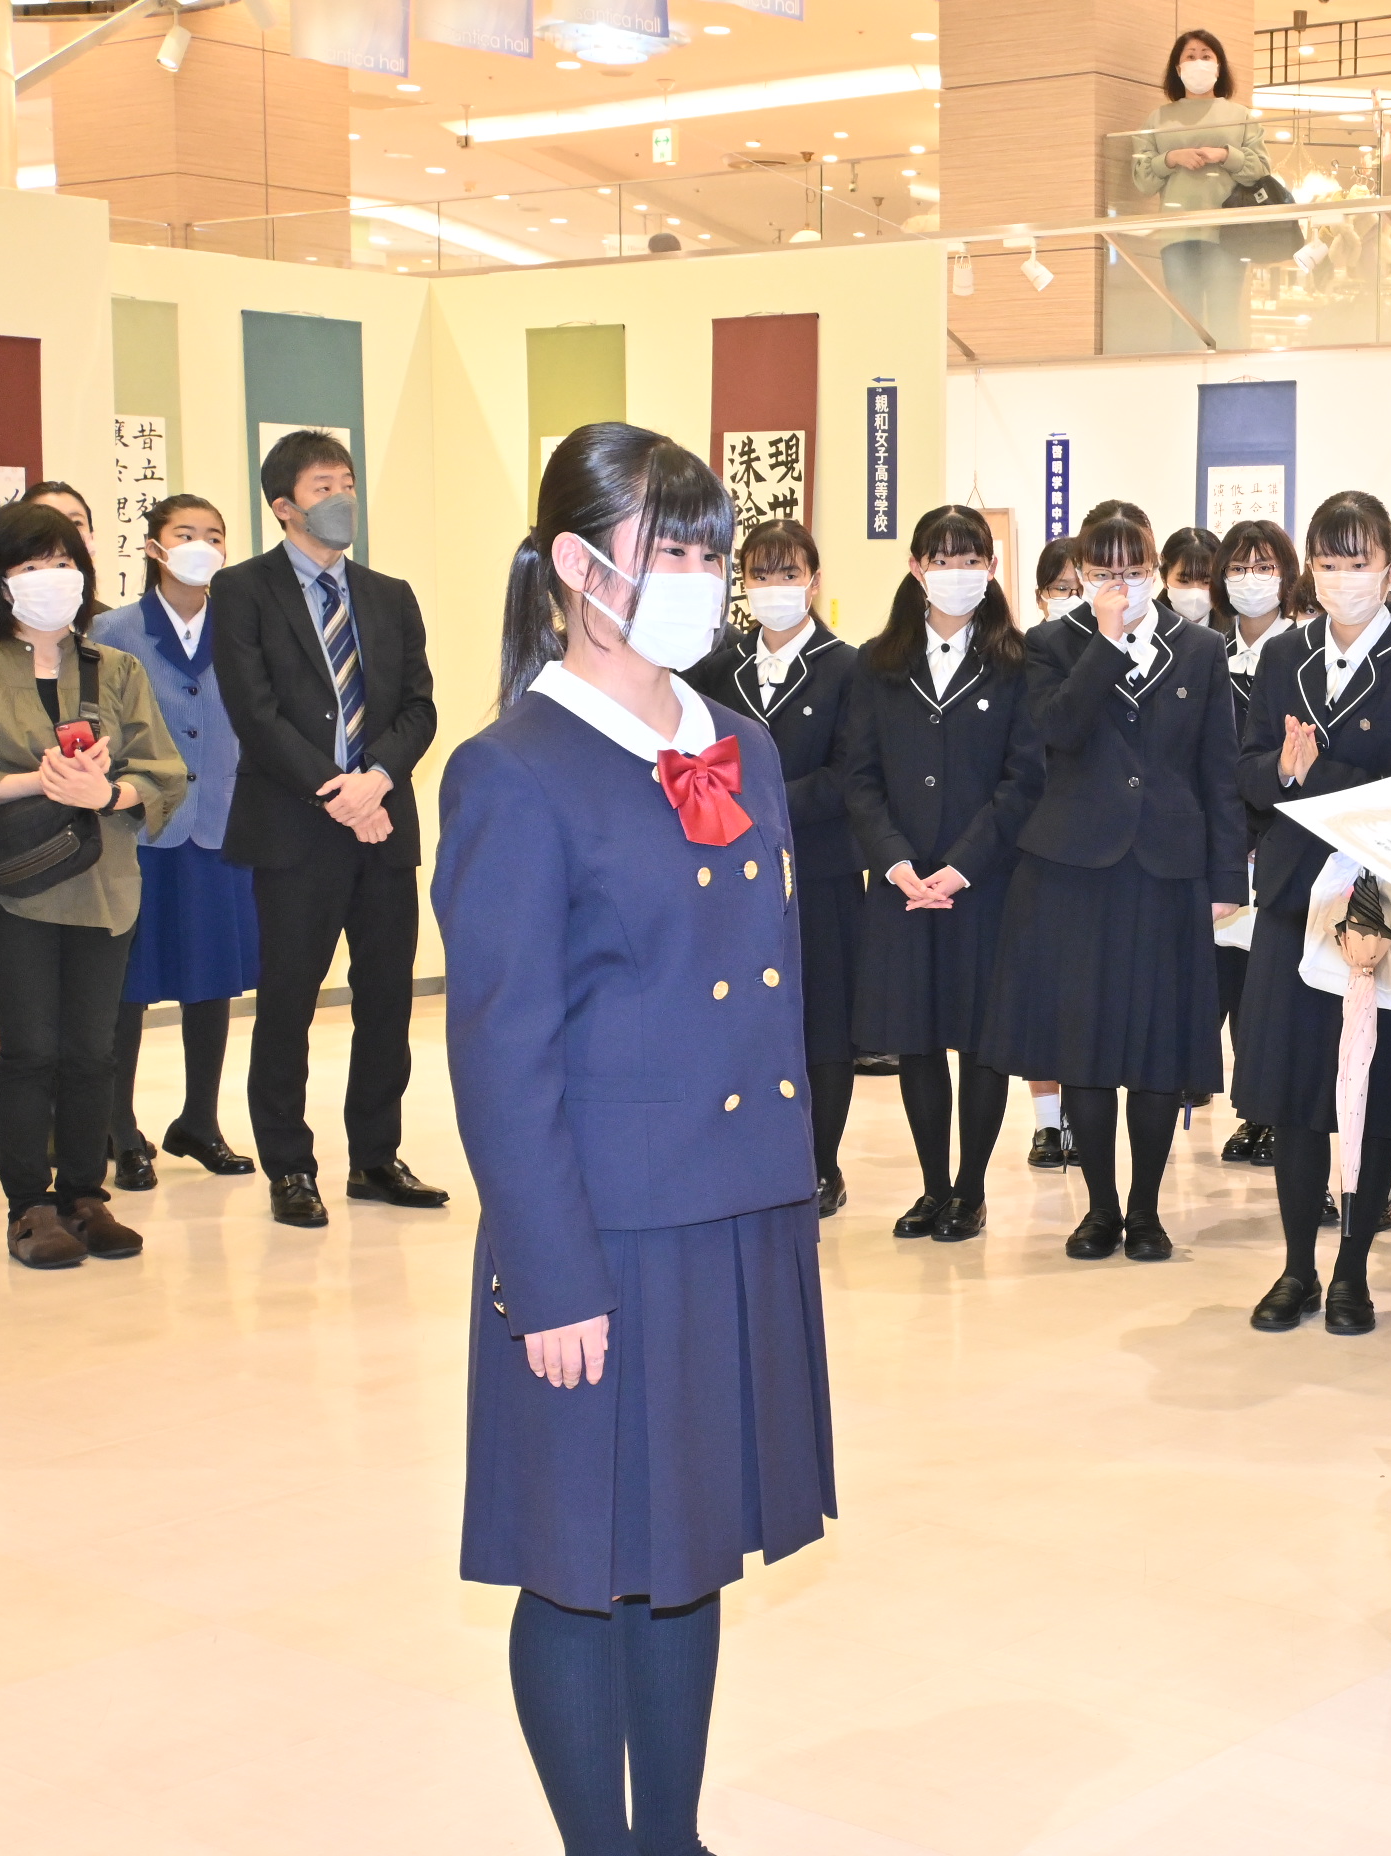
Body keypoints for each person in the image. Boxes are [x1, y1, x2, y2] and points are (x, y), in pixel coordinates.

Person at [435, 421, 835, 1856]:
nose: (703, 580)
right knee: (580, 1561)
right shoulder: (513, 770)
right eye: (671, 550)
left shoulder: (742, 743)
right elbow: (502, 1052)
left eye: (711, 553)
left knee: (686, 1550)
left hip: (732, 1212)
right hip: (602, 1232)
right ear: (574, 564)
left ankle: (673, 1838)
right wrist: (549, 1276)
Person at [979, 511, 1244, 1262]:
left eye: (1133, 570)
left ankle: (1147, 1209)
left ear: (1154, 569)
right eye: (1103, 572)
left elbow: (1218, 770)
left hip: (1167, 868)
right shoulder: (1049, 644)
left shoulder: (1200, 649)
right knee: (1085, 1045)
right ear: (1083, 574)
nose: (1119, 584)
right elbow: (1057, 733)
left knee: (1158, 1048)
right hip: (1075, 869)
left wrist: (1227, 875)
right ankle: (1098, 1208)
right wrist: (1103, 640)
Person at [1233, 492, 1391, 1334]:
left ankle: (1353, 1270)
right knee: (1296, 1094)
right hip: (1294, 896)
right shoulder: (1282, 655)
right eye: (1328, 562)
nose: (1342, 577)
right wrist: (1281, 774)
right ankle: (1297, 1266)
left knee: (1372, 1091)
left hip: (1379, 903)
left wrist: (1310, 775)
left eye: (1358, 562)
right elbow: (1248, 769)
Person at [208, 429, 447, 1229]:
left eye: (346, 481)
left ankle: (376, 1157)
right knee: (288, 1005)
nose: (341, 496)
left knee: (386, 1000)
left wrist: (376, 778)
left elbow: (420, 707)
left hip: (383, 825)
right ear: (284, 506)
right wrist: (334, 790)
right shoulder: (243, 590)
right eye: (322, 486)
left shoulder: (390, 595)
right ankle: (290, 1165)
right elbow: (255, 712)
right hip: (294, 829)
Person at [0, 502, 184, 1268]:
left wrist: (106, 794)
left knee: (92, 1051)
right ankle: (30, 1208)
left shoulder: (116, 669)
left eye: (62, 562)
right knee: (31, 1052)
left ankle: (85, 1196)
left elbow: (163, 773)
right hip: (17, 891)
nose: (50, 577)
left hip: (106, 885)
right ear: (0, 581)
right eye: (30, 565)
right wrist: (40, 781)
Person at [845, 505, 1042, 1242]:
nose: (956, 572)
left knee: (981, 1040)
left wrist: (962, 866)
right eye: (941, 558)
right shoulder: (877, 663)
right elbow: (859, 776)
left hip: (983, 884)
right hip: (901, 886)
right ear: (916, 567)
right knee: (917, 1037)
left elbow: (1023, 779)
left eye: (970, 559)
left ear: (990, 569)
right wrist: (895, 861)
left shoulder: (1017, 663)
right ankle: (933, 1187)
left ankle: (970, 1190)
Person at [684, 518, 866, 1216]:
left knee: (822, 1023)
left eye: (788, 574)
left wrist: (760, 803)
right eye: (760, 575)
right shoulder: (714, 668)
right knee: (740, 1013)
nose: (774, 587)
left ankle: (821, 1165)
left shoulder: (847, 667)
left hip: (820, 871)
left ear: (814, 582)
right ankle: (748, 1156)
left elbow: (849, 774)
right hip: (730, 871)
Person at [90, 494, 261, 1188]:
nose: (202, 546)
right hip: (138, 830)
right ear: (155, 547)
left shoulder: (243, 626)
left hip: (221, 823)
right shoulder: (113, 630)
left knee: (212, 979)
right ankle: (119, 1127)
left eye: (214, 535)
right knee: (127, 986)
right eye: (185, 533)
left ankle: (199, 1121)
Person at [1212, 516, 1300, 1167]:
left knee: (1270, 991)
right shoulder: (1207, 653)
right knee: (1232, 983)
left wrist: (1255, 833)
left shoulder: (1299, 653)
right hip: (1219, 844)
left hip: (1275, 841)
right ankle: (1248, 1110)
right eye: (1239, 567)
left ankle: (1272, 1113)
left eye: (1264, 567)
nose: (1251, 579)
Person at [1019, 532, 1089, 1169]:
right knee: (1040, 996)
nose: (1072, 596)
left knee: (1082, 997)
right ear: (1042, 595)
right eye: (1060, 588)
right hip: (1033, 844)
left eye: (1079, 584)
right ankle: (1047, 1123)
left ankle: (1082, 1120)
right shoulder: (1032, 652)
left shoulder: (1125, 650)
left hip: (1091, 847)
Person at [1128, 30, 1268, 346]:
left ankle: (1228, 376)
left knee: (1224, 318)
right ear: (1178, 68)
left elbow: (1261, 169)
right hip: (1176, 232)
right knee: (1184, 321)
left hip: (1228, 233)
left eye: (1206, 56)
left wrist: (1225, 155)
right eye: (1190, 56)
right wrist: (1171, 158)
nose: (1198, 62)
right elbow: (1142, 179)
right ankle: (1184, 375)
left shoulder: (1241, 116)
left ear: (1219, 66)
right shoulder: (1158, 118)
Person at [1160, 525, 1220, 631]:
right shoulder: (1146, 629)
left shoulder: (1236, 631)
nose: (1195, 594)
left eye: (1207, 582)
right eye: (1184, 581)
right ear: (1163, 578)